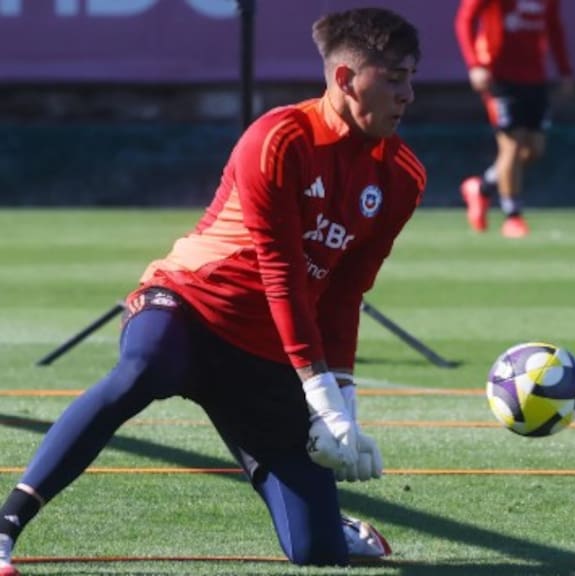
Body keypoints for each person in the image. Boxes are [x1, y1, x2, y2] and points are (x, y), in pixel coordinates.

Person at [0, 7, 425, 574]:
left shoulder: (402, 177)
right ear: (346, 78)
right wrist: (321, 396)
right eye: (393, 78)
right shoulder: (278, 139)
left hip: (266, 354)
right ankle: (6, 524)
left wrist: (344, 403)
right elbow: (280, 272)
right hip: (189, 308)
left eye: (410, 78)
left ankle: (331, 526)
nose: (408, 94)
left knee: (319, 554)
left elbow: (345, 295)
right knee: (145, 366)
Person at [455, 0, 574, 238]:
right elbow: (465, 19)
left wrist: (564, 70)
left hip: (534, 76)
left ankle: (482, 187)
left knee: (533, 150)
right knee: (512, 145)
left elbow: (553, 26)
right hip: (499, 76)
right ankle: (513, 216)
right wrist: (474, 65)